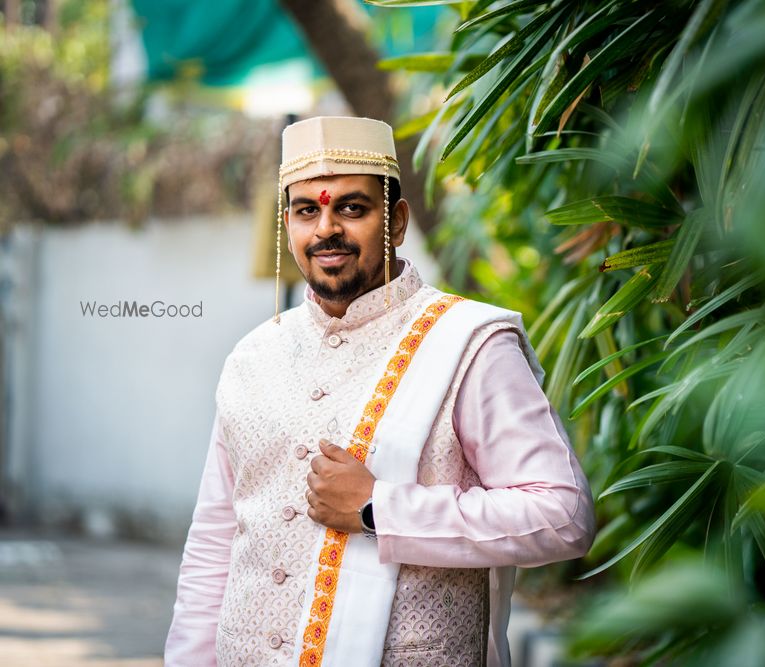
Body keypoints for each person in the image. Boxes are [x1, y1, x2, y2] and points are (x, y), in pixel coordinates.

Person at [164, 116, 595, 667]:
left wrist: (380, 508)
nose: (326, 229)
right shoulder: (252, 357)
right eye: (306, 210)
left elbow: (562, 515)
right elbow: (213, 544)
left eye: (351, 207)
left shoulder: (468, 345)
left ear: (395, 221)